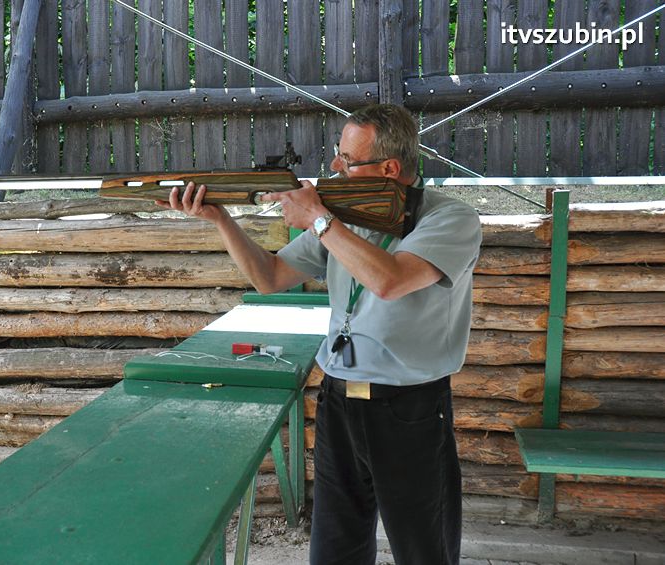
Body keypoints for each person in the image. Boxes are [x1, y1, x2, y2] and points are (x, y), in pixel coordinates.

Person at [157, 104, 482, 565]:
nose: (334, 167)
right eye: (338, 154)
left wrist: (321, 221)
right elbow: (269, 277)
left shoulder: (449, 219)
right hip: (338, 400)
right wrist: (221, 219)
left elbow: (389, 280)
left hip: (410, 408)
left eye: (347, 159)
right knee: (335, 547)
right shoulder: (340, 220)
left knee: (424, 548)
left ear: (389, 168)